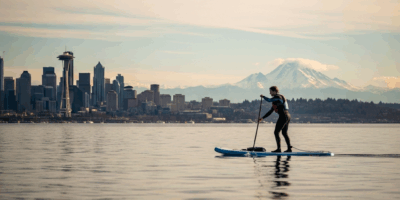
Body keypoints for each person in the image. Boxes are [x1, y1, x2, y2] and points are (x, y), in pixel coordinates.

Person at [259, 86, 292, 153]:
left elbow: (268, 100)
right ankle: (289, 149)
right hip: (287, 116)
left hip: (283, 116)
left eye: (270, 91)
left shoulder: (278, 97)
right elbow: (271, 111)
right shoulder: (276, 101)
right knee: (284, 133)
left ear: (275, 91)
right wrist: (262, 118)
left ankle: (279, 149)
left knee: (276, 132)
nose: (270, 93)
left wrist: (263, 97)